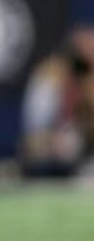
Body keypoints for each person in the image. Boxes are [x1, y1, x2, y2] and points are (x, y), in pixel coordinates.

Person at [21, 25, 94, 178]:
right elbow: (34, 135)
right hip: (50, 147)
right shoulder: (49, 77)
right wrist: (56, 142)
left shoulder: (88, 80)